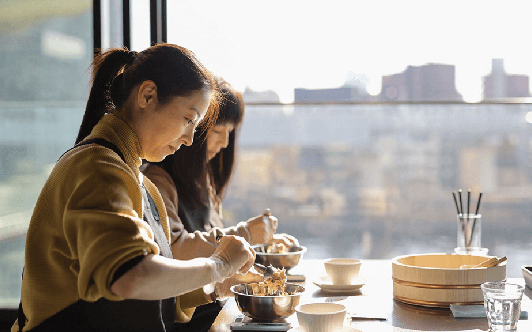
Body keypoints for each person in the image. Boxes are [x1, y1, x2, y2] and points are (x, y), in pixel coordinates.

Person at [12, 45, 258, 332]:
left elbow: (152, 289)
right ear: (148, 95)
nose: (190, 139)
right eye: (189, 120)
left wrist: (216, 286)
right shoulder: (97, 168)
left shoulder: (140, 182)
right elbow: (129, 275)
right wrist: (219, 265)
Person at [142, 77, 298, 331]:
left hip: (211, 306)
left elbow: (215, 252)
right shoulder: (158, 180)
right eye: (217, 131)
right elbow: (174, 250)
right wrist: (246, 234)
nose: (225, 143)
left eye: (230, 132)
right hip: (193, 320)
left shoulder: (204, 182)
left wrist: (256, 251)